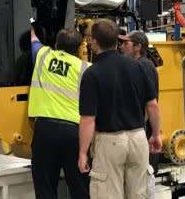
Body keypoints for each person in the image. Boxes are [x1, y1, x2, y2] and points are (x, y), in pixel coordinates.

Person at [78, 18, 162, 198]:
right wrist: (156, 134)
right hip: (138, 139)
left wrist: (83, 152)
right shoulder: (138, 67)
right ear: (117, 41)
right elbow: (152, 105)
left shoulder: (92, 74)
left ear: (94, 41)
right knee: (140, 194)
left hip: (110, 142)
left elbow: (88, 120)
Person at [28, 26, 90, 199]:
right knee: (80, 188)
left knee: (45, 189)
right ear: (79, 47)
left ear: (56, 44)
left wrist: (32, 25)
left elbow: (33, 40)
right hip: (73, 133)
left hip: (45, 131)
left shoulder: (43, 55)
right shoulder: (86, 69)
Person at [118, 30, 160, 173]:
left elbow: (150, 104)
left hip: (142, 132)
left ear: (137, 47)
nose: (121, 47)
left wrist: (149, 132)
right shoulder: (136, 65)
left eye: (125, 43)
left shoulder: (144, 66)